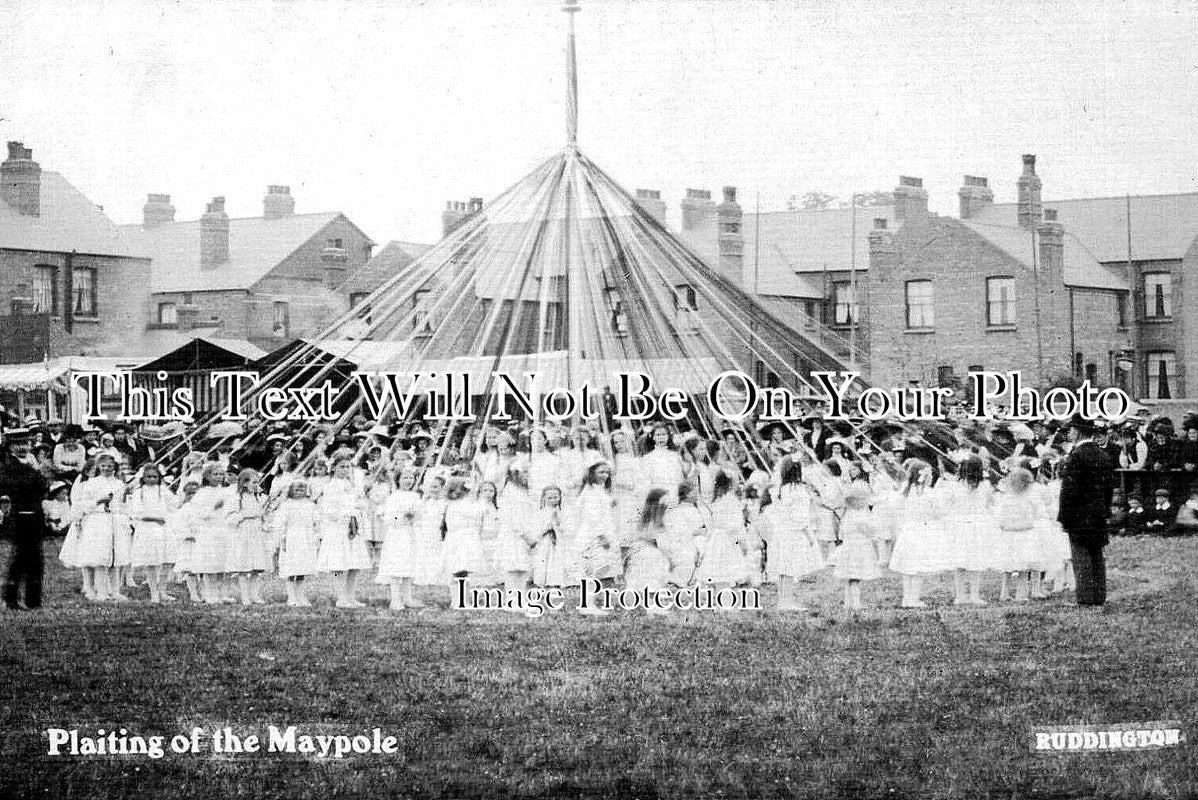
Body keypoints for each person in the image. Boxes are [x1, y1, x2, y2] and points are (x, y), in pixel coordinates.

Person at [1057, 414, 1115, 608]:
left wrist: (1064, 517)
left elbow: (1069, 491)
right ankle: (1099, 595)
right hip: (1098, 513)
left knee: (1081, 556)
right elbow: (1109, 489)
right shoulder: (1103, 455)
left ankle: (1085, 597)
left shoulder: (1076, 456)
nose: (1069, 432)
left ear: (1079, 431)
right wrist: (1105, 510)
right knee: (1096, 554)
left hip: (1079, 514)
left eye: (1072, 429)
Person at [1, 428, 48, 610]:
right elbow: (14, 487)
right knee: (19, 560)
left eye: (25, 443)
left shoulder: (31, 464)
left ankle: (33, 600)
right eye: (17, 444)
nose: (22, 447)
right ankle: (11, 599)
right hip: (19, 518)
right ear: (11, 446)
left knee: (36, 560)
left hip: (34, 516)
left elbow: (43, 487)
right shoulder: (8, 466)